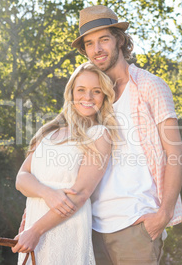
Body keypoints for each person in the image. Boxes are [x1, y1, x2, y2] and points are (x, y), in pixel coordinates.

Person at [17, 5, 182, 264]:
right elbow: (59, 166)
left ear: (119, 39)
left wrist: (163, 214)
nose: (97, 49)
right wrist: (32, 216)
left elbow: (175, 153)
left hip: (135, 223)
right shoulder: (91, 100)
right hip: (88, 226)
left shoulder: (149, 86)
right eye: (89, 43)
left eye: (104, 39)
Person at [11, 62, 119, 264]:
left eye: (96, 91)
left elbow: (79, 195)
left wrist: (36, 230)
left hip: (66, 229)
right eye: (81, 90)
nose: (87, 97)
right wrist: (47, 193)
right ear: (71, 93)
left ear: (104, 96)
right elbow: (21, 178)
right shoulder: (48, 133)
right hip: (32, 232)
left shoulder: (99, 135)